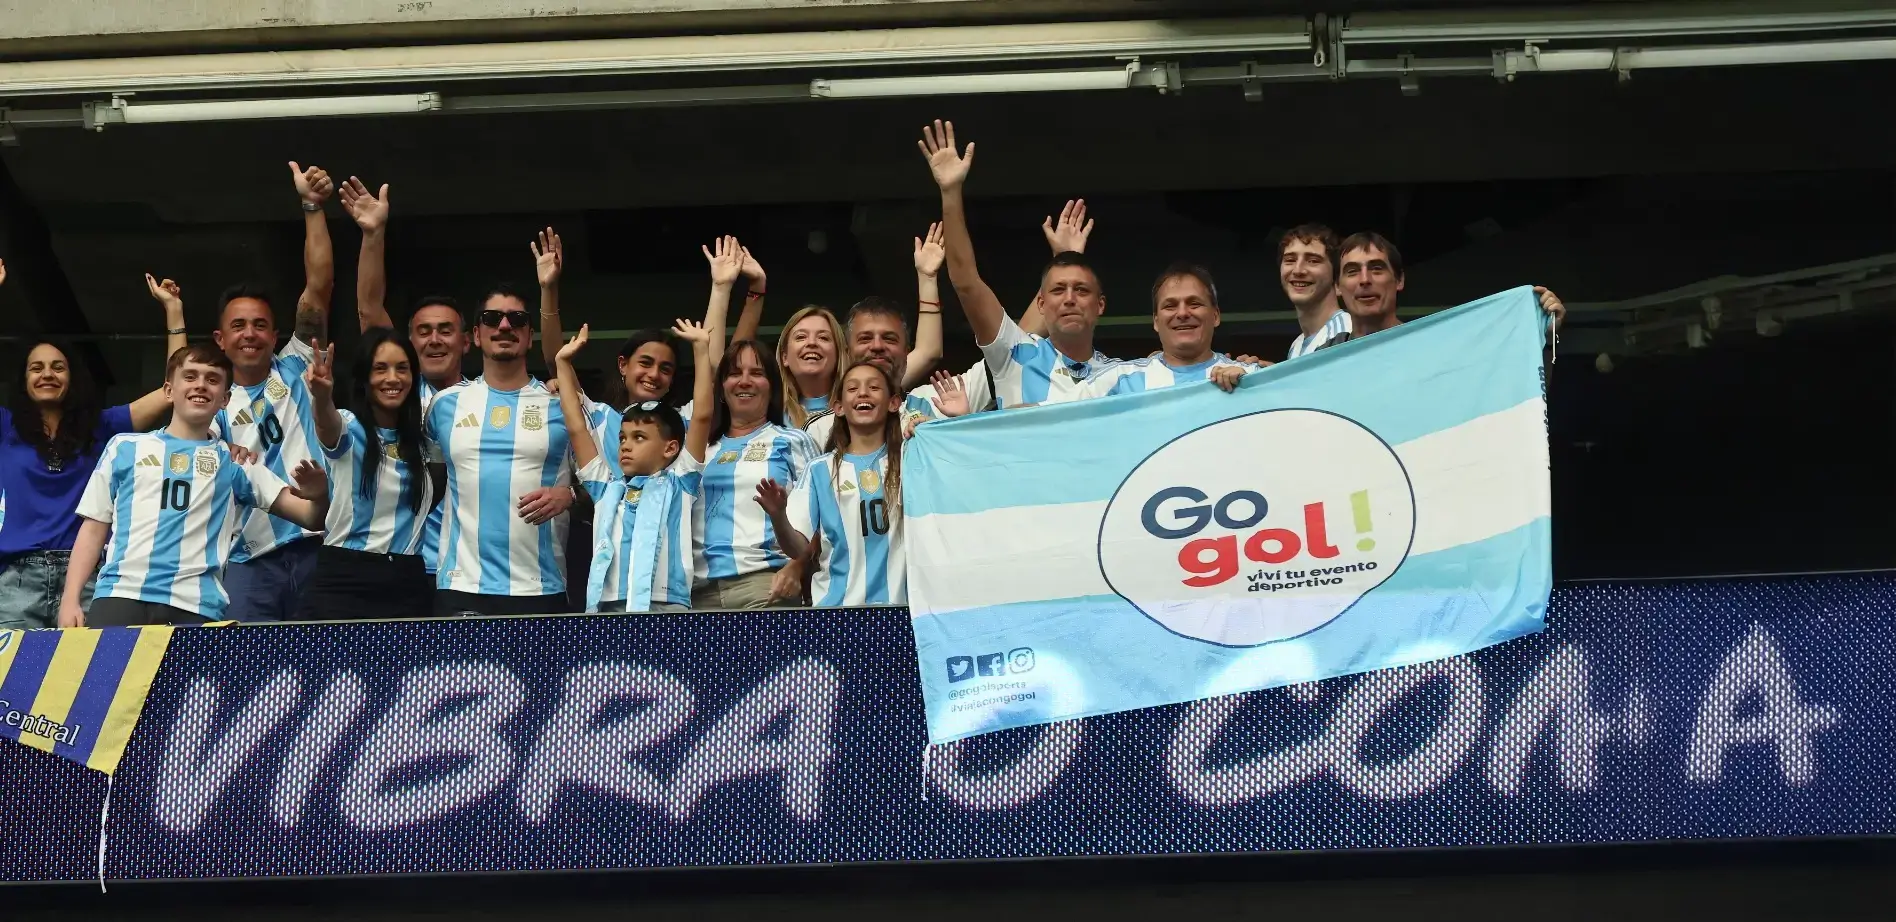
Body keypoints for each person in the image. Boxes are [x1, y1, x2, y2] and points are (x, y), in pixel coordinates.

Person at [58, 344, 329, 627]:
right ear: (168, 391)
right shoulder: (124, 447)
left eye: (212, 379)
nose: (200, 385)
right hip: (120, 596)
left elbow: (311, 517)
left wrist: (319, 495)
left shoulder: (234, 463)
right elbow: (94, 527)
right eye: (190, 376)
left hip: (196, 606)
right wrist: (70, 598)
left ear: (225, 399)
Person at [0, 266, 189, 629]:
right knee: (10, 669)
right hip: (16, 581)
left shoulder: (101, 426)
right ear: (23, 380)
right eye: (36, 368)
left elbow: (172, 391)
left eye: (58, 367)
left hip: (84, 578)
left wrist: (174, 311)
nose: (47, 374)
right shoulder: (7, 426)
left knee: (87, 668)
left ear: (72, 378)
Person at [209, 161, 337, 622]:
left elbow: (318, 288)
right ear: (220, 339)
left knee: (328, 659)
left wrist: (312, 207)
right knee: (243, 662)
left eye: (260, 325)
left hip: (321, 543)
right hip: (250, 559)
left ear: (276, 334)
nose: (250, 333)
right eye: (238, 325)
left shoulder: (297, 365)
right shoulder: (211, 406)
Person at [919, 121, 1122, 408]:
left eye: (1081, 290)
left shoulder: (1123, 376)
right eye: (1058, 290)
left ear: (1100, 305)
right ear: (1041, 304)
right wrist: (950, 192)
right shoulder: (1013, 354)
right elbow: (966, 282)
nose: (1069, 299)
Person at [337, 177, 470, 585]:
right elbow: (369, 309)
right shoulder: (398, 393)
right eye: (423, 331)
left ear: (467, 341)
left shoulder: (480, 401)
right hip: (402, 562)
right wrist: (373, 234)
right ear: (409, 342)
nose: (434, 340)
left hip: (462, 571)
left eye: (446, 331)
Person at [424, 282, 578, 616]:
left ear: (530, 336)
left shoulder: (562, 404)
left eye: (517, 319)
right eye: (492, 318)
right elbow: (426, 486)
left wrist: (570, 496)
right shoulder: (443, 405)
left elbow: (606, 483)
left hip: (541, 587)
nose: (505, 325)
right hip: (461, 585)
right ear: (476, 335)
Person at [553, 321, 715, 613]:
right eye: (622, 438)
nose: (625, 446)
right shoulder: (605, 488)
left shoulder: (681, 482)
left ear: (671, 448)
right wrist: (563, 363)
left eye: (639, 437)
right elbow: (576, 426)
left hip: (668, 605)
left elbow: (702, 415)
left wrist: (701, 349)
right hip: (608, 606)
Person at [693, 242, 819, 609]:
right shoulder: (697, 445)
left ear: (772, 386)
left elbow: (823, 517)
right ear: (721, 387)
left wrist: (798, 566)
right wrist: (721, 287)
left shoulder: (793, 441)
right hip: (696, 593)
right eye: (735, 374)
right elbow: (711, 360)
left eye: (757, 373)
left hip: (765, 585)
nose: (744, 381)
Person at [298, 328, 435, 621]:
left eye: (402, 368)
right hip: (345, 579)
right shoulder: (350, 427)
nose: (393, 378)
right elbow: (327, 424)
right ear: (364, 378)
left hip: (407, 582)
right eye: (380, 368)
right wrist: (322, 397)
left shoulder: (423, 441)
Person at [757, 360, 909, 607]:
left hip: (901, 610)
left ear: (894, 403)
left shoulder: (910, 461)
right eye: (852, 388)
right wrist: (778, 516)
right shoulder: (819, 470)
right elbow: (798, 550)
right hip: (836, 612)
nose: (863, 393)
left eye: (873, 387)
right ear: (838, 407)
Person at [1324, 232, 1567, 347]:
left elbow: (1517, 394)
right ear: (1337, 287)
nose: (1365, 280)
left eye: (1377, 269)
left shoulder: (1436, 346)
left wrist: (1543, 337)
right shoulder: (1320, 360)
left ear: (1399, 280)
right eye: (1352, 271)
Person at [1077, 263, 1258, 398]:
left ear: (1215, 316)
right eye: (1170, 306)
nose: (1182, 313)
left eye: (1194, 303)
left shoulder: (1249, 375)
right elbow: (1061, 415)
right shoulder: (1119, 380)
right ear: (1156, 321)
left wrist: (1255, 387)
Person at [1279, 223, 1350, 359]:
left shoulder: (1346, 334)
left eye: (1313, 261)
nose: (1298, 270)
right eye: (1290, 260)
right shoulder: (1297, 344)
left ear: (1336, 277)